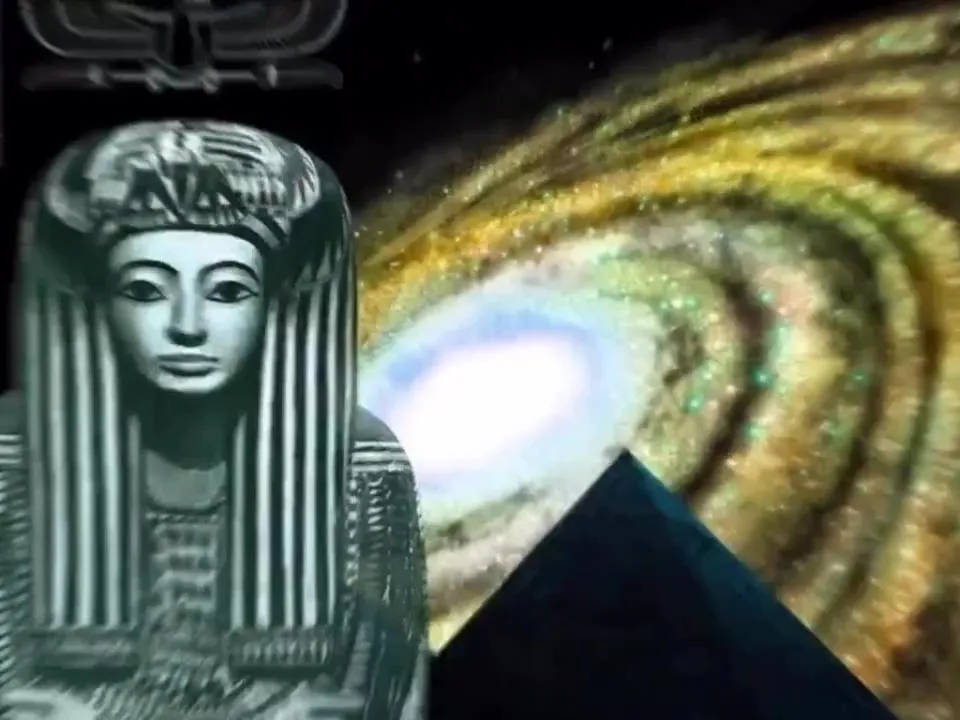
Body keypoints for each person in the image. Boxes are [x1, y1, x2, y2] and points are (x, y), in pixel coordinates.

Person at [0, 120, 427, 720]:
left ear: (275, 301)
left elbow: (389, 688)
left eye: (227, 291)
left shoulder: (359, 462)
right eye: (146, 289)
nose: (187, 325)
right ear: (99, 302)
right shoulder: (12, 454)